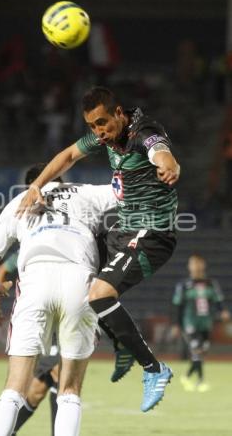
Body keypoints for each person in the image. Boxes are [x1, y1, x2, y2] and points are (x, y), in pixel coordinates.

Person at [16, 86, 180, 412]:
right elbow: (67, 156)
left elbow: (160, 152)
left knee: (100, 295)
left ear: (119, 113)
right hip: (124, 229)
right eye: (92, 126)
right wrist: (37, 186)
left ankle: (154, 369)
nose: (98, 131)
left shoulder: (142, 132)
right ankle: (121, 344)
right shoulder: (104, 137)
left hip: (152, 232)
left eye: (103, 122)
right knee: (80, 282)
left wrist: (170, 164)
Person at [0, 172, 116, 436]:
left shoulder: (18, 202)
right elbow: (128, 189)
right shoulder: (85, 191)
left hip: (35, 283)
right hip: (79, 281)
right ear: (62, 179)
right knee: (69, 392)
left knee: (14, 388)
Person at [0, 250, 59, 436]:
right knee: (48, 381)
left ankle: (9, 431)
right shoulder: (33, 244)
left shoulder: (72, 237)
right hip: (41, 317)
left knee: (40, 387)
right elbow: (2, 270)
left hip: (65, 317)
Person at [171, 254, 230, 392]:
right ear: (189, 266)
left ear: (203, 265)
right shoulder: (184, 285)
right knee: (197, 350)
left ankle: (186, 376)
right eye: (193, 263)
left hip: (206, 323)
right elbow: (176, 306)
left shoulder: (211, 284)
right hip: (190, 323)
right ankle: (201, 381)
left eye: (198, 263)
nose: (196, 266)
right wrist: (176, 324)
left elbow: (218, 301)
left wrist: (223, 311)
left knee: (201, 353)